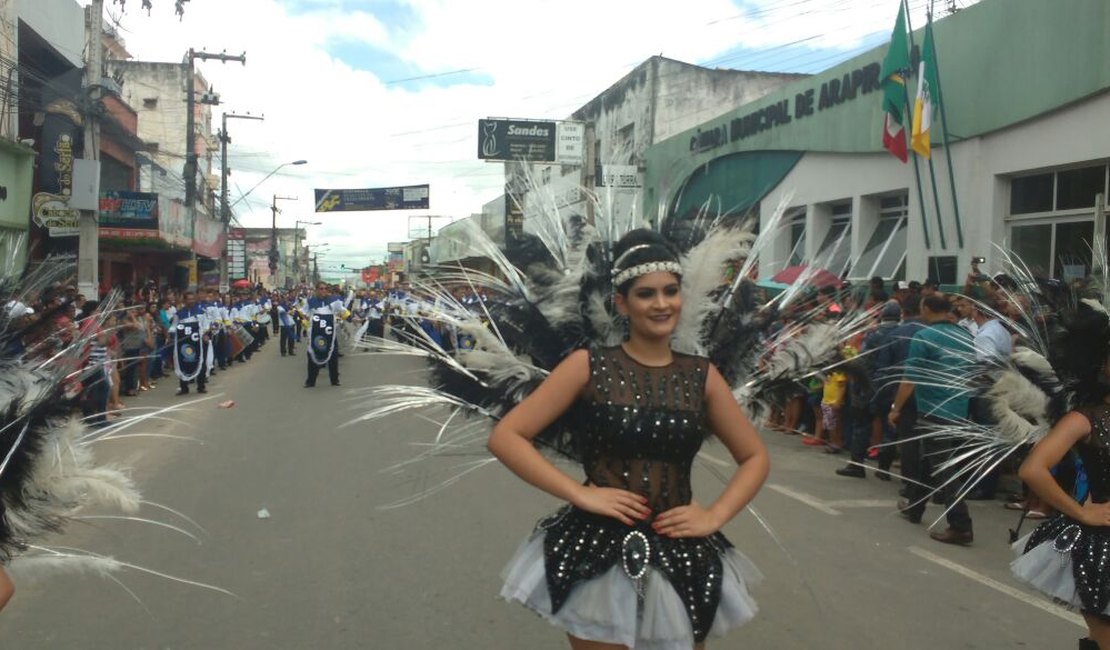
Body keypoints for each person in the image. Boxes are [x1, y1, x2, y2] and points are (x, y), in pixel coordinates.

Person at [488, 229, 769, 649]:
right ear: (622, 303)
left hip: (681, 550)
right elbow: (507, 436)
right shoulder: (588, 366)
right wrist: (581, 495)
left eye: (670, 291)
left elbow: (755, 457)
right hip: (597, 552)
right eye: (646, 294)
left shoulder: (701, 376)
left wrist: (714, 516)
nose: (661, 304)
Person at [890, 294, 976, 545]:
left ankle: (961, 525)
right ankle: (915, 507)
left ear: (925, 309)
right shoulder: (965, 336)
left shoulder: (923, 337)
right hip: (959, 408)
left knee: (944, 469)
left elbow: (910, 377)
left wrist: (896, 408)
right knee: (932, 461)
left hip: (933, 410)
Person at [304, 283, 352, 387]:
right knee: (312, 356)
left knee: (333, 357)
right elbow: (304, 313)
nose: (323, 291)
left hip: (330, 334)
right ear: (316, 290)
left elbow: (343, 312)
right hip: (315, 334)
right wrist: (305, 322)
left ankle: (334, 380)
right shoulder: (310, 301)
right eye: (321, 289)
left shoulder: (334, 301)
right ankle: (310, 381)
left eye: (325, 289)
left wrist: (352, 319)